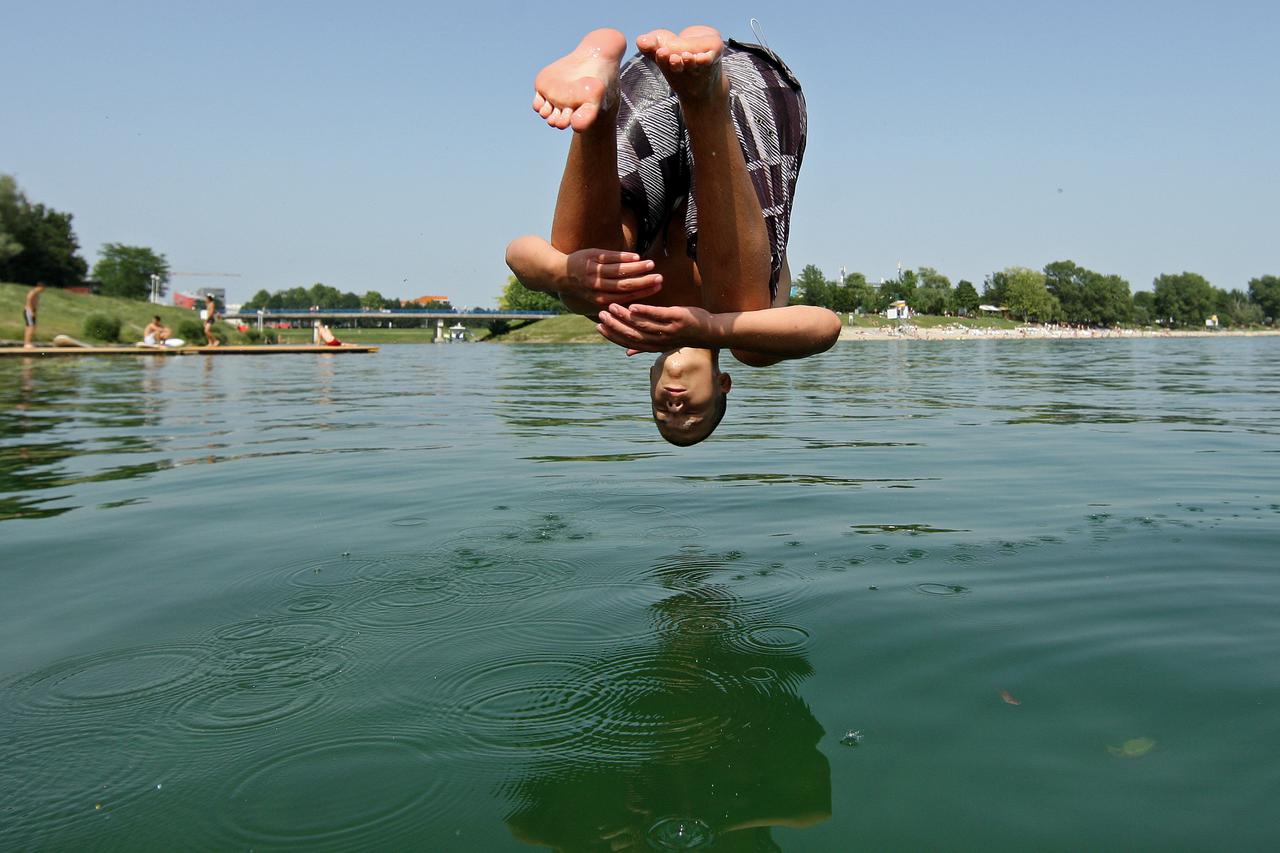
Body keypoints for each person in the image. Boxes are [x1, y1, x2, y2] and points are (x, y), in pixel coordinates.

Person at [506, 26, 840, 445]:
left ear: (650, 380)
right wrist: (714, 328)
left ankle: (600, 100)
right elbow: (827, 326)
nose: (675, 408)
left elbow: (518, 254)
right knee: (749, 329)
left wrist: (561, 273)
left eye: (662, 414)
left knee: (587, 291)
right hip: (750, 98)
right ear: (723, 386)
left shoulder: (628, 318)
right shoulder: (751, 332)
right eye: (693, 413)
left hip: (648, 91)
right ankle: (706, 96)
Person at [23, 282, 46, 348]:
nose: (43, 291)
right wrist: (31, 312)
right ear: (39, 287)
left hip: (32, 311)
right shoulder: (32, 292)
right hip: (29, 311)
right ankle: (27, 343)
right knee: (30, 327)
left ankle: (28, 342)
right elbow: (28, 302)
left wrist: (35, 312)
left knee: (33, 327)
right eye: (42, 289)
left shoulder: (37, 294)